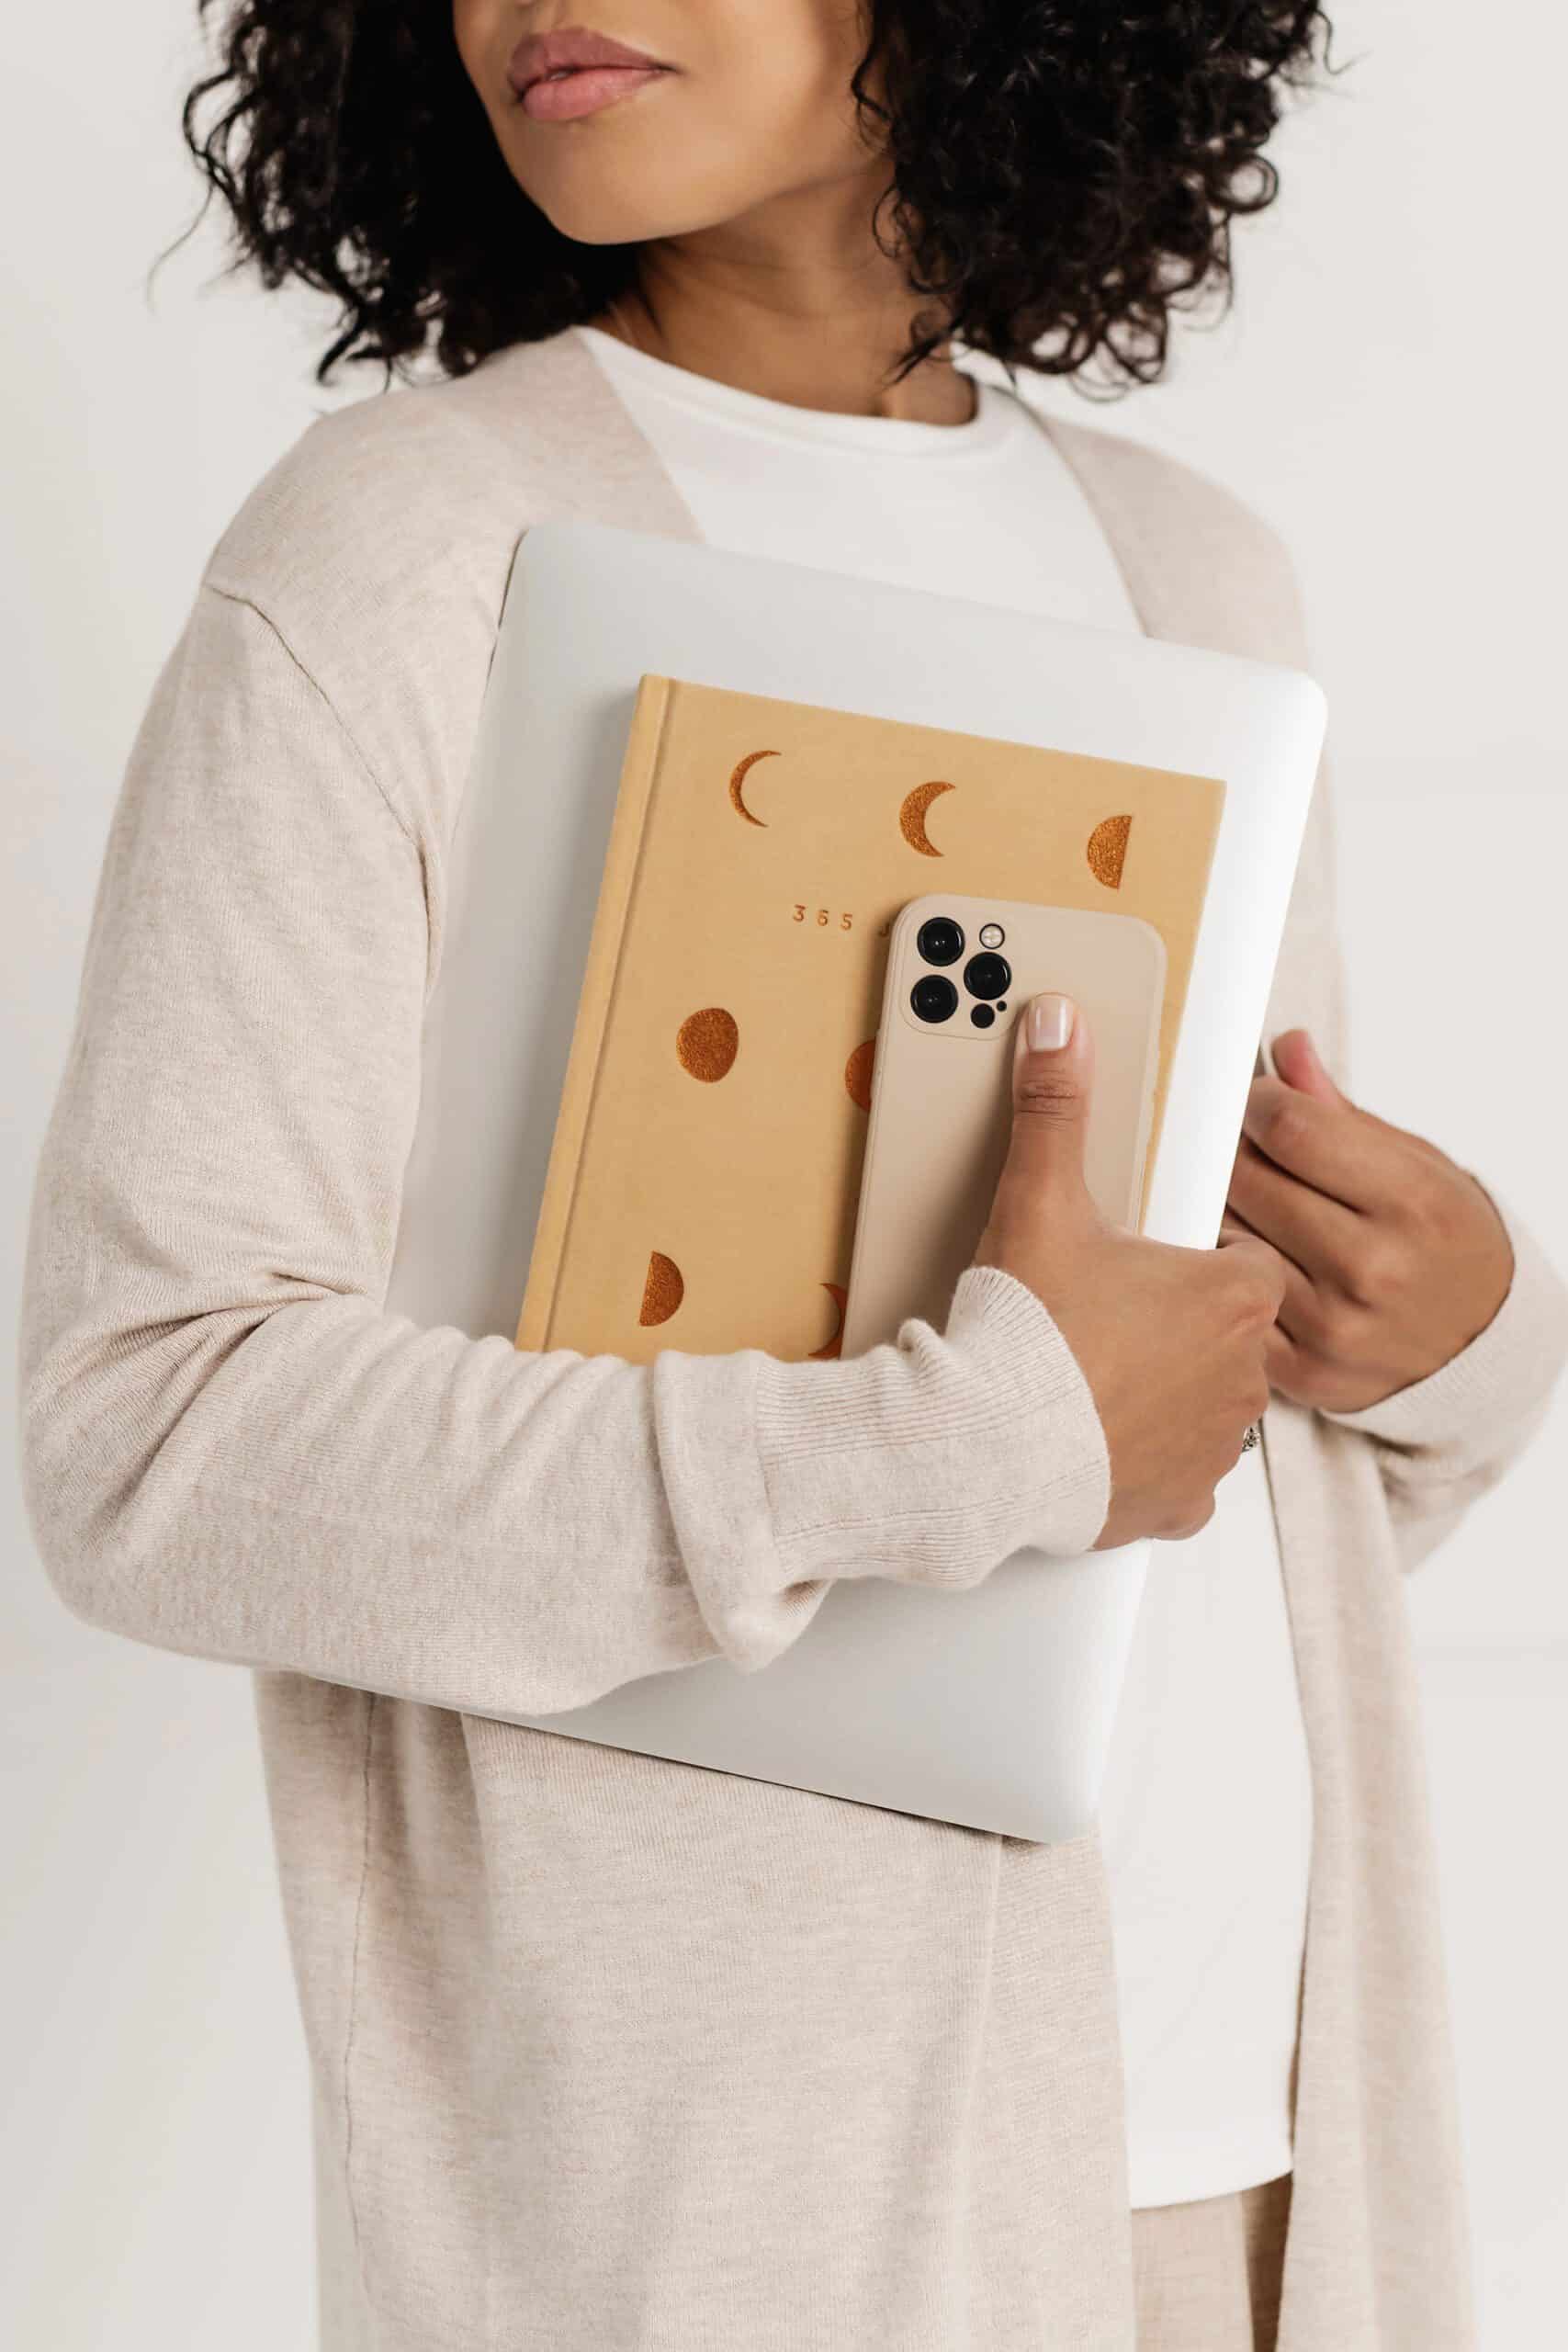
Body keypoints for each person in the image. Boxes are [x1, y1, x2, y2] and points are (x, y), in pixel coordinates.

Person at [17, 3, 1568, 2346]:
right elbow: (151, 1433)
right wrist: (965, 1432)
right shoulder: (405, 562)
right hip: (722, 2205)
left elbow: (1173, 1481)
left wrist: (1442, 1336)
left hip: (1266, 2159)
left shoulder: (1192, 577)